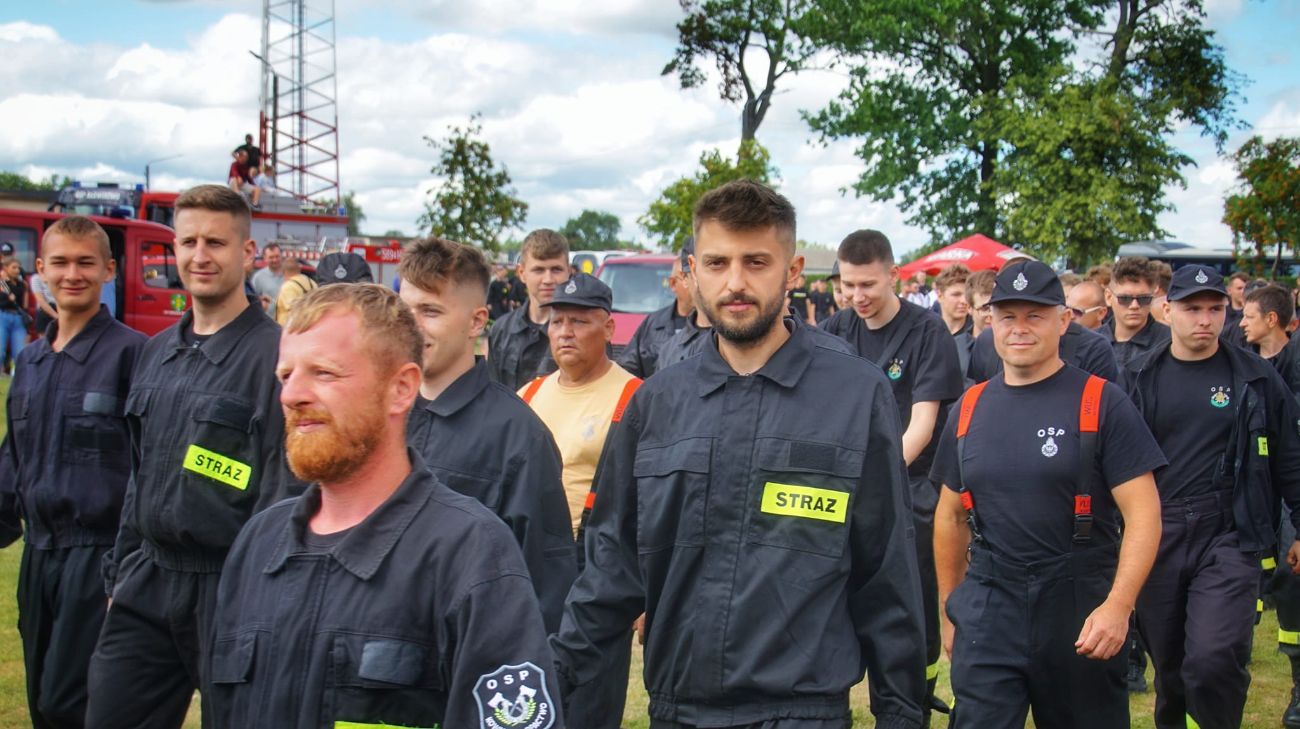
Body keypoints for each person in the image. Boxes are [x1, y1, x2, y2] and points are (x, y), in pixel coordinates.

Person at [553, 180, 928, 728]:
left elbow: (886, 576)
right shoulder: (656, 403)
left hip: (803, 713)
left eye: (756, 262)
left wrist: (902, 713)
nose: (735, 283)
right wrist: (553, 676)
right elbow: (610, 568)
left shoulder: (855, 396)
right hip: (678, 710)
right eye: (717, 262)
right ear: (692, 270)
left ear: (793, 270)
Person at [208, 283, 562, 729]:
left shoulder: (470, 555)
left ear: (400, 388)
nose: (291, 395)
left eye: (323, 373)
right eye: (285, 375)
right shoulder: (257, 548)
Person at [86, 185, 300, 729]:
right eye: (188, 242)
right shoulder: (157, 351)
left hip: (229, 586)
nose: (199, 256)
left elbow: (283, 491)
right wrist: (119, 577)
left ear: (248, 253)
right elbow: (140, 476)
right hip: (146, 580)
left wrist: (265, 596)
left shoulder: (277, 359)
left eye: (216, 242)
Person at [932, 259, 1165, 728]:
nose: (1019, 329)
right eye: (1007, 316)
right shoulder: (969, 408)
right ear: (989, 322)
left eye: (1034, 315)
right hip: (991, 601)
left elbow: (1144, 514)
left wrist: (1119, 608)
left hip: (1078, 603)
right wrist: (950, 610)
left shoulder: (1102, 401)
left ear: (1063, 321)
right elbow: (950, 517)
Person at [1124, 265, 1300, 729]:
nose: (1204, 319)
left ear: (1229, 310)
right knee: (1171, 669)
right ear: (1167, 310)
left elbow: (1291, 459)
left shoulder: (1257, 379)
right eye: (1192, 308)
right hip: (1156, 532)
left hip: (1229, 531)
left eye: (1215, 308)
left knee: (1213, 658)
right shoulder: (1138, 377)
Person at [0, 217, 146, 728]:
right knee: (41, 698)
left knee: (73, 703)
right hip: (39, 557)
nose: (72, 274)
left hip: (98, 556)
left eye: (86, 262)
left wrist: (126, 565)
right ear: (40, 271)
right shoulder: (32, 362)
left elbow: (149, 465)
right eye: (60, 263)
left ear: (109, 269)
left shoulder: (133, 355)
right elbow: (13, 458)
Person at [820, 230, 964, 722]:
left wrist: (866, 477)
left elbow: (922, 425)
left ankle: (913, 703)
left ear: (894, 276)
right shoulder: (835, 330)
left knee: (910, 617)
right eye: (848, 285)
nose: (857, 296)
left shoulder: (927, 334)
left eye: (868, 285)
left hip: (912, 492)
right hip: (842, 489)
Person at [398, 236, 576, 633]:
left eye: (430, 311)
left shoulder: (519, 438)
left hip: (466, 656)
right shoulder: (379, 415)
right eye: (404, 310)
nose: (411, 327)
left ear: (477, 321)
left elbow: (545, 590)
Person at [517, 271, 638, 728]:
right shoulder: (529, 394)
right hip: (535, 565)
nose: (565, 332)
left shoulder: (634, 396)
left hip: (597, 567)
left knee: (590, 696)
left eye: (580, 321)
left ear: (608, 328)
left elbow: (642, 504)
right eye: (557, 321)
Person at [487, 229, 567, 391]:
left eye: (556, 269)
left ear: (569, 272)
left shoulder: (584, 332)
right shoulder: (501, 331)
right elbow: (492, 393)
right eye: (539, 270)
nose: (548, 280)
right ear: (522, 273)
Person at [617, 247, 694, 378]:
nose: (694, 283)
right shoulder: (653, 324)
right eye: (686, 277)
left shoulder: (713, 326)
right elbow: (627, 368)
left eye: (695, 276)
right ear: (673, 284)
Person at [1102, 257, 1171, 368]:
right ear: (1108, 297)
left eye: (1144, 298)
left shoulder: (1170, 343)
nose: (1134, 306)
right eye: (1125, 298)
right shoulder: (1091, 342)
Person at [1243, 284, 1295, 362]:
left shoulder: (1295, 361)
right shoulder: (1242, 361)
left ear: (1271, 319)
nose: (1242, 323)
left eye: (1249, 317)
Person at [0, 255, 28, 372]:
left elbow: (24, 304)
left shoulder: (22, 284)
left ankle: (19, 378)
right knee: (0, 350)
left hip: (18, 317)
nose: (17, 270)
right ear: (5, 268)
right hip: (2, 316)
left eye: (18, 268)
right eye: (14, 267)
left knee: (20, 352)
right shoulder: (2, 284)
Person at [274, 257, 316, 325]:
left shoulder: (288, 287)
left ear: (283, 271)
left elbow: (292, 313)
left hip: (291, 330)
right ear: (299, 269)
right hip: (310, 326)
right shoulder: (311, 282)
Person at [935, 264, 972, 336]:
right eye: (956, 295)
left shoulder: (979, 334)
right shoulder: (928, 333)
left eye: (967, 294)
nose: (964, 301)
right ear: (940, 296)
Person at [250, 243, 285, 319]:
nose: (275, 260)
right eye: (271, 257)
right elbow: (252, 300)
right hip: (268, 323)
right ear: (265, 258)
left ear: (281, 256)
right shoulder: (258, 277)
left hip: (289, 324)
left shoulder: (289, 275)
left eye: (277, 256)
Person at [29, 270, 56, 334]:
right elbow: (40, 300)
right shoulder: (36, 278)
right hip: (45, 311)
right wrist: (56, 316)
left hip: (59, 309)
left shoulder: (56, 276)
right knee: (44, 341)